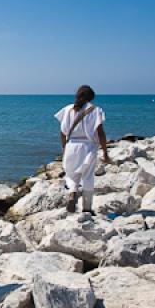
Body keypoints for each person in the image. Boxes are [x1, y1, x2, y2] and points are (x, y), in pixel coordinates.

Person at [54, 85, 111, 220]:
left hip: (71, 145)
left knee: (71, 174)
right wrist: (105, 152)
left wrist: (64, 148)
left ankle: (73, 191)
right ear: (91, 97)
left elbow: (62, 132)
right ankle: (86, 208)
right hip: (88, 146)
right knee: (88, 176)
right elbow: (100, 133)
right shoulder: (96, 110)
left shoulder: (67, 109)